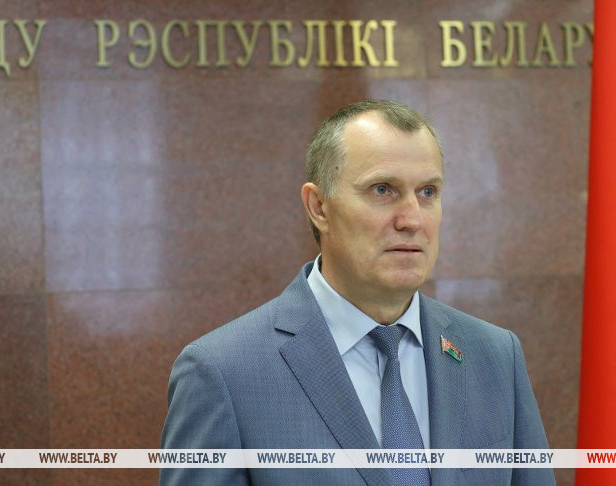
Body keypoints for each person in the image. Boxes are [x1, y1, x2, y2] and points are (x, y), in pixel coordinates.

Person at [160, 100, 554, 485]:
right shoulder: (222, 372)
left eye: (427, 192)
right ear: (319, 207)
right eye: (383, 190)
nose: (412, 219)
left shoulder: (495, 356)